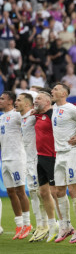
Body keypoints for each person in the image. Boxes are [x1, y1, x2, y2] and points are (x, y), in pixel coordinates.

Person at [51, 83, 76, 244]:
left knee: (73, 190)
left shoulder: (73, 109)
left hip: (72, 153)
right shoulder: (53, 108)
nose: (53, 91)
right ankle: (65, 225)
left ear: (64, 93)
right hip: (58, 154)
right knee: (59, 191)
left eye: (56, 89)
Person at [15, 92, 46, 242]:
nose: (16, 102)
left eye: (19, 100)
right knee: (34, 193)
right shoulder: (20, 118)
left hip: (37, 159)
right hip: (27, 160)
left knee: (41, 193)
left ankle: (46, 225)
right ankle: (40, 225)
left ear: (27, 104)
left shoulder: (34, 116)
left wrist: (38, 109)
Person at [0, 91, 31, 240]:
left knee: (20, 191)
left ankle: (27, 224)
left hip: (17, 158)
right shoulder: (1, 118)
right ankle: (19, 223)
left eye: (2, 99)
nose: (0, 101)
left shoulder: (17, 115)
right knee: (10, 192)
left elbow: (29, 120)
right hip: (5, 159)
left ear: (10, 102)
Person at [33, 91, 60, 242]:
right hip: (40, 157)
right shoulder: (36, 115)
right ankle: (52, 224)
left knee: (55, 192)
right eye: (35, 98)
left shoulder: (52, 114)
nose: (35, 101)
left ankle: (64, 225)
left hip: (52, 157)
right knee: (43, 192)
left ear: (48, 102)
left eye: (38, 98)